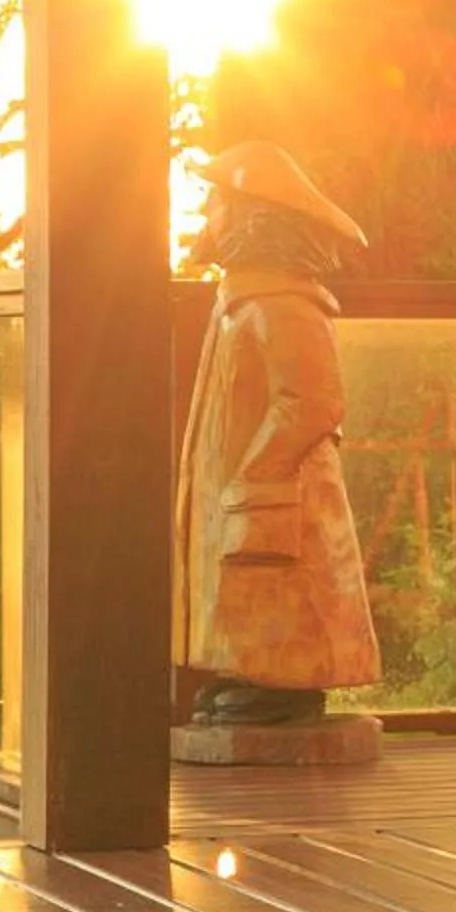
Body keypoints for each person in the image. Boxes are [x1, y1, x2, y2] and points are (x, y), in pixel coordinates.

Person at [171, 141, 382, 728]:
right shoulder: (239, 303)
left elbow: (313, 400)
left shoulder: (283, 306)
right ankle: (251, 672)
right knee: (252, 585)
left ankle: (285, 681)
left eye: (217, 200)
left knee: (284, 583)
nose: (206, 213)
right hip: (247, 487)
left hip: (280, 492)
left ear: (250, 217)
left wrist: (258, 473)